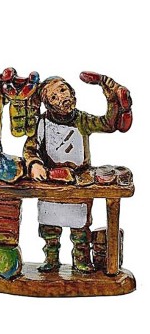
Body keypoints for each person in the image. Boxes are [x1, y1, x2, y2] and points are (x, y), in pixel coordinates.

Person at [23, 75, 120, 272]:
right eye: (53, 96)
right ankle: (51, 259)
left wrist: (111, 100)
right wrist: (34, 164)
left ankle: (81, 260)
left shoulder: (82, 120)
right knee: (49, 228)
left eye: (62, 90)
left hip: (78, 183)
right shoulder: (42, 123)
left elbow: (108, 124)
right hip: (51, 183)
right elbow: (30, 149)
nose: (61, 97)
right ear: (48, 104)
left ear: (71, 91)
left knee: (80, 229)